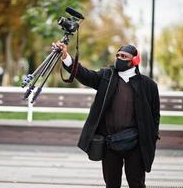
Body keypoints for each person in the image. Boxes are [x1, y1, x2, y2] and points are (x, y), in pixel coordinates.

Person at [53, 42, 160, 188]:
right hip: (110, 143)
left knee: (137, 183)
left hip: (136, 144)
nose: (119, 58)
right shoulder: (106, 76)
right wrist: (66, 57)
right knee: (111, 184)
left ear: (134, 60)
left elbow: (155, 116)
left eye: (124, 56)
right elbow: (85, 75)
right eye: (118, 55)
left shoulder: (149, 85)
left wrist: (152, 135)